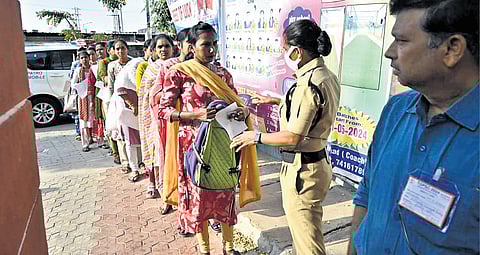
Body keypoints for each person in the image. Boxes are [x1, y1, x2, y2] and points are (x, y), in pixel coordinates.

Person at [347, 1, 479, 254]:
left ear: (452, 49)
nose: (389, 52)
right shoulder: (395, 111)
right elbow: (366, 195)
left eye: (402, 41)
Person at [232, 19, 340, 255]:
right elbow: (315, 110)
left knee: (307, 243)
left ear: (297, 51)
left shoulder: (307, 84)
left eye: (284, 50)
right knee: (308, 234)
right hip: (316, 164)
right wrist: (280, 101)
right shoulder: (325, 75)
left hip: (303, 171)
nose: (283, 55)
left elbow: (293, 137)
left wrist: (256, 137)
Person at [159, 22, 261, 255]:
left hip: (224, 147)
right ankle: (204, 249)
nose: (212, 49)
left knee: (225, 194)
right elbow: (163, 111)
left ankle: (229, 246)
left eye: (214, 44)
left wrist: (243, 112)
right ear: (192, 47)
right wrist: (196, 114)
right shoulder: (180, 73)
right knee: (199, 199)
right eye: (206, 45)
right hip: (193, 149)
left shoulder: (223, 74)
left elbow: (237, 103)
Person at [149, 28, 191, 218]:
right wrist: (176, 99)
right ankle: (169, 197)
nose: (191, 46)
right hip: (172, 122)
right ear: (180, 45)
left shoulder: (204, 66)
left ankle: (198, 207)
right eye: (188, 42)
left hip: (196, 123)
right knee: (170, 160)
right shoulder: (167, 67)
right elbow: (154, 96)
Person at [137, 35, 174, 200]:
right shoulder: (151, 69)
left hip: (174, 115)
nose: (163, 50)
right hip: (154, 118)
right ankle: (153, 182)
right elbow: (144, 95)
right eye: (160, 47)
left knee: (171, 150)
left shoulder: (178, 66)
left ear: (174, 48)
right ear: (154, 51)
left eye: (166, 46)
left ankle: (172, 187)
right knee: (154, 150)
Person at [107, 39, 138, 179]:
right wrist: (110, 104)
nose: (120, 51)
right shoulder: (112, 66)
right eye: (117, 49)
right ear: (113, 51)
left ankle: (141, 161)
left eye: (123, 48)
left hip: (136, 102)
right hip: (119, 103)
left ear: (127, 49)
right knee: (122, 135)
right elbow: (111, 86)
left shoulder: (135, 63)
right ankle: (127, 163)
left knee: (137, 132)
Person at [98, 40, 120, 164]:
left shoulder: (128, 61)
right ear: (110, 50)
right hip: (108, 97)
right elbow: (104, 78)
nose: (119, 51)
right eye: (116, 48)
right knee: (112, 124)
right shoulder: (104, 62)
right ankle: (115, 152)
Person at [71, 51, 97, 152]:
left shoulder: (93, 68)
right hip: (83, 98)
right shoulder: (78, 71)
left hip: (93, 96)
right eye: (82, 58)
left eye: (86, 57)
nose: (84, 60)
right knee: (84, 121)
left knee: (94, 119)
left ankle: (95, 139)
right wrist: (81, 86)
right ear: (79, 59)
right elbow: (73, 84)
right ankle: (85, 143)